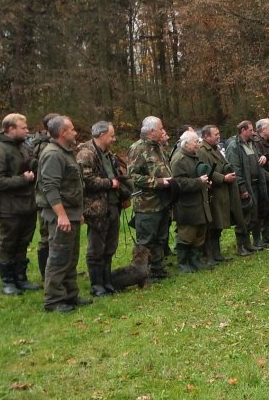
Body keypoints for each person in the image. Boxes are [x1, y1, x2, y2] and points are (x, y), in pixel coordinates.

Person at [36, 116, 87, 313]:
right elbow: (50, 187)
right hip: (60, 216)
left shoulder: (65, 152)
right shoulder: (52, 154)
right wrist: (62, 215)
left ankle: (70, 295)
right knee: (58, 258)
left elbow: (72, 186)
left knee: (71, 257)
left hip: (71, 213)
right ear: (63, 133)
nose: (75, 132)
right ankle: (54, 300)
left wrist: (76, 213)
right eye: (72, 129)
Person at [0, 113, 40, 295]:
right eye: (23, 128)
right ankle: (7, 281)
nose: (27, 131)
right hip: (8, 208)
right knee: (8, 243)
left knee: (23, 242)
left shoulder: (22, 147)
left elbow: (27, 165)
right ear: (11, 129)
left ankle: (20, 278)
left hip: (27, 204)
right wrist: (23, 179)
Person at [76, 121, 130, 297]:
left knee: (110, 247)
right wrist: (109, 183)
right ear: (101, 135)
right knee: (96, 249)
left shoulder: (108, 154)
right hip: (96, 209)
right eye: (111, 135)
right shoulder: (86, 154)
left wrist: (123, 195)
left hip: (112, 206)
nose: (114, 139)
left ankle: (107, 281)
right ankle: (97, 285)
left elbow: (117, 176)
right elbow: (85, 181)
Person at [127, 116, 175, 281]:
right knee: (146, 240)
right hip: (147, 204)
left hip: (163, 201)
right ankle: (141, 272)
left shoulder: (158, 147)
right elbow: (133, 177)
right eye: (160, 128)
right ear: (152, 131)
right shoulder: (137, 149)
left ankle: (157, 268)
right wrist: (159, 182)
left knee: (161, 237)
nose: (163, 131)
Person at [169, 130, 212, 272]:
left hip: (200, 203)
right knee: (186, 236)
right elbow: (178, 182)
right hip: (187, 205)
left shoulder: (195, 156)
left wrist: (205, 182)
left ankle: (195, 261)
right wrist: (199, 182)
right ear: (186, 143)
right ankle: (183, 263)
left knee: (199, 235)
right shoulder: (179, 159)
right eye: (195, 142)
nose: (198, 144)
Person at [27, 112, 61, 281]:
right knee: (46, 236)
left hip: (53, 198)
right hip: (45, 199)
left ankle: (59, 269)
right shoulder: (43, 147)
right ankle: (45, 273)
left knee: (58, 236)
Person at [225, 120, 266, 252]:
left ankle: (248, 244)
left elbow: (257, 157)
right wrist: (242, 188)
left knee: (253, 215)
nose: (253, 132)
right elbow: (235, 169)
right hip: (245, 187)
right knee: (244, 217)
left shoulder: (251, 143)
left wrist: (263, 157)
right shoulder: (234, 146)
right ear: (242, 130)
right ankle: (241, 246)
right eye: (250, 130)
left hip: (255, 184)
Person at [198, 125, 237, 263]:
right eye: (215, 134)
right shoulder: (202, 151)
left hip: (221, 191)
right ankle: (208, 255)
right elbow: (206, 171)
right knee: (212, 225)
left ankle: (216, 253)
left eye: (219, 133)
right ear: (206, 136)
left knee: (218, 225)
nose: (218, 136)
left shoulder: (215, 148)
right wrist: (223, 178)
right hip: (212, 192)